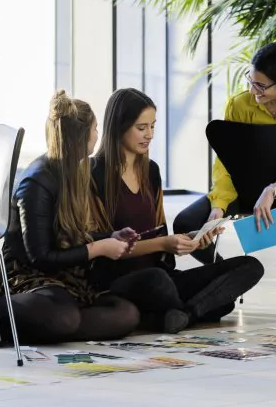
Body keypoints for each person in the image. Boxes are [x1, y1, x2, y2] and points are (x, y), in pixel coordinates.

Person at [0, 91, 141, 346]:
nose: (98, 135)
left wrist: (110, 237)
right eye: (95, 128)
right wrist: (98, 248)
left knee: (126, 314)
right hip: (30, 278)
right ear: (81, 136)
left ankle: (19, 325)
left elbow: (66, 237)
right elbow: (41, 257)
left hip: (66, 280)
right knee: (65, 317)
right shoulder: (37, 182)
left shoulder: (76, 173)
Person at [173, 42, 276, 328]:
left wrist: (275, 188)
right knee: (186, 222)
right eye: (251, 81)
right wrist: (219, 205)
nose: (253, 91)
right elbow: (226, 162)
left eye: (261, 86)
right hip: (246, 189)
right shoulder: (239, 104)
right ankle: (225, 280)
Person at [89, 88, 264, 334]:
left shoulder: (151, 171)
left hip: (162, 275)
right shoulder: (93, 173)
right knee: (170, 285)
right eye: (141, 128)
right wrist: (164, 243)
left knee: (250, 266)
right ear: (119, 126)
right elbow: (101, 248)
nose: (149, 134)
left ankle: (182, 314)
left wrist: (191, 240)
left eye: (153, 126)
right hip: (120, 281)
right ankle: (190, 310)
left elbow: (159, 233)